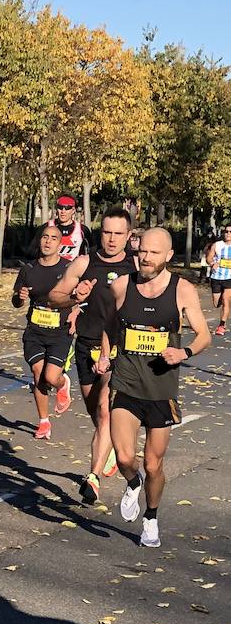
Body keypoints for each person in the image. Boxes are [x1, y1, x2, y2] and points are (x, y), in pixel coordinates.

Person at [95, 227, 211, 548]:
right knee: (124, 457)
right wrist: (106, 354)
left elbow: (204, 334)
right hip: (126, 383)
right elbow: (109, 324)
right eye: (141, 251)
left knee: (153, 464)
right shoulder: (121, 286)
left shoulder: (182, 290)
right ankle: (132, 483)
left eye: (153, 253)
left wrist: (183, 352)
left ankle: (151, 517)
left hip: (161, 390)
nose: (145, 258)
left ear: (168, 256)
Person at [48, 207, 138, 504]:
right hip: (86, 343)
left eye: (118, 234)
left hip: (118, 348)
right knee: (96, 412)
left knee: (103, 409)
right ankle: (110, 444)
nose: (112, 240)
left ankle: (93, 477)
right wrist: (75, 297)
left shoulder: (136, 266)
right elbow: (54, 296)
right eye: (107, 232)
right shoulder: (84, 263)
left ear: (128, 235)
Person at [11, 225, 74, 439]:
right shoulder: (28, 268)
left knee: (50, 376)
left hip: (60, 331)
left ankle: (62, 382)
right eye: (45, 237)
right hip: (35, 330)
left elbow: (81, 297)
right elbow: (16, 302)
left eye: (53, 238)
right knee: (38, 373)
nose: (48, 241)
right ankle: (43, 421)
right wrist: (20, 298)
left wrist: (76, 313)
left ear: (60, 243)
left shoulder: (69, 268)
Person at [204, 225, 231, 335]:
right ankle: (220, 300)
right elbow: (209, 258)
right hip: (216, 277)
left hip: (229, 277)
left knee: (226, 300)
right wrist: (212, 263)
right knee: (216, 303)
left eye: (230, 231)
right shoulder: (217, 245)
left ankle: (221, 325)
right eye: (226, 231)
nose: (228, 233)